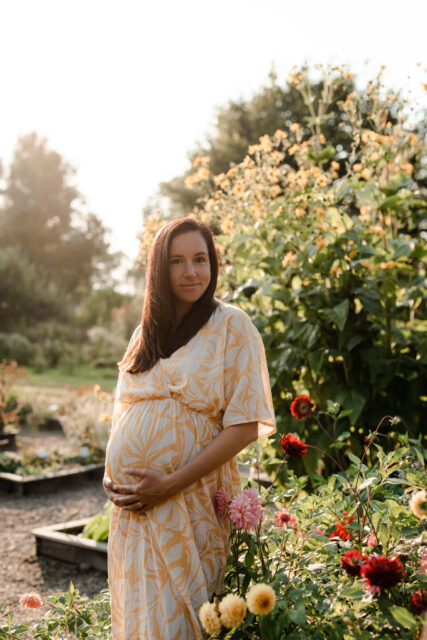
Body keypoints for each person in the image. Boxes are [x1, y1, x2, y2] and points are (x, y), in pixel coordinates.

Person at [103, 217, 276, 639]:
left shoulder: (232, 326)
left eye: (200, 259)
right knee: (141, 620)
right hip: (134, 513)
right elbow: (123, 409)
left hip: (189, 500)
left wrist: (170, 482)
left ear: (213, 264)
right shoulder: (144, 334)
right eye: (177, 261)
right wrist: (109, 476)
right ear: (159, 270)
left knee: (182, 621)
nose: (191, 271)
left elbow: (247, 424)